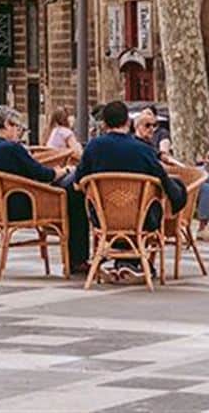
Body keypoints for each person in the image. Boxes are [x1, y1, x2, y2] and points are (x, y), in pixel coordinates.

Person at [72, 100, 186, 282]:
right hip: (141, 220)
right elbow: (166, 184)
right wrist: (179, 195)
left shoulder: (93, 148)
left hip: (103, 219)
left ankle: (122, 262)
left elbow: (77, 183)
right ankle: (134, 263)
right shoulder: (144, 150)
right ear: (128, 122)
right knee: (160, 200)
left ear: (104, 124)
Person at [0, 105, 89, 272]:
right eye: (17, 127)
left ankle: (76, 259)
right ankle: (77, 259)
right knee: (73, 193)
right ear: (8, 124)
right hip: (27, 204)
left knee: (67, 189)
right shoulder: (11, 148)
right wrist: (64, 170)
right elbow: (42, 174)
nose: (18, 132)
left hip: (3, 207)